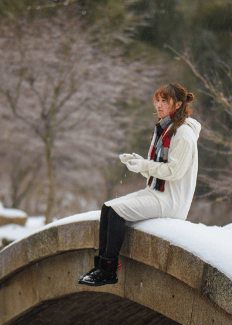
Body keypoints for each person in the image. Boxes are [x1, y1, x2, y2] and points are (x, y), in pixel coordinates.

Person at [78, 83, 201, 287]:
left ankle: (109, 271)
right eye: (157, 100)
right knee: (108, 208)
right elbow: (157, 168)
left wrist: (144, 165)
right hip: (156, 192)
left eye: (164, 101)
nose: (158, 105)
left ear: (178, 104)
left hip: (171, 201)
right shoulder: (165, 128)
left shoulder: (183, 134)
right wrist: (137, 162)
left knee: (117, 212)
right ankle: (100, 266)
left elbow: (174, 172)